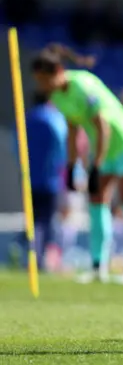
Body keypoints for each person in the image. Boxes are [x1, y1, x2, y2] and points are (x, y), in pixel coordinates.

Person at [30, 44, 123, 285]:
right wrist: (71, 165)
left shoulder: (83, 85)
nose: (41, 86)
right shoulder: (56, 96)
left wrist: (95, 165)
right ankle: (99, 266)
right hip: (103, 149)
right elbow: (73, 130)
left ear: (57, 71)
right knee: (96, 203)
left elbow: (102, 126)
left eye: (44, 79)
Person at [12, 91, 68, 269]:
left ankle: (26, 253)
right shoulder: (55, 119)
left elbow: (16, 146)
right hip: (50, 177)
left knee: (32, 218)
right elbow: (62, 147)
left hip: (29, 177)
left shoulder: (25, 119)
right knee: (46, 220)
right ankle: (39, 258)